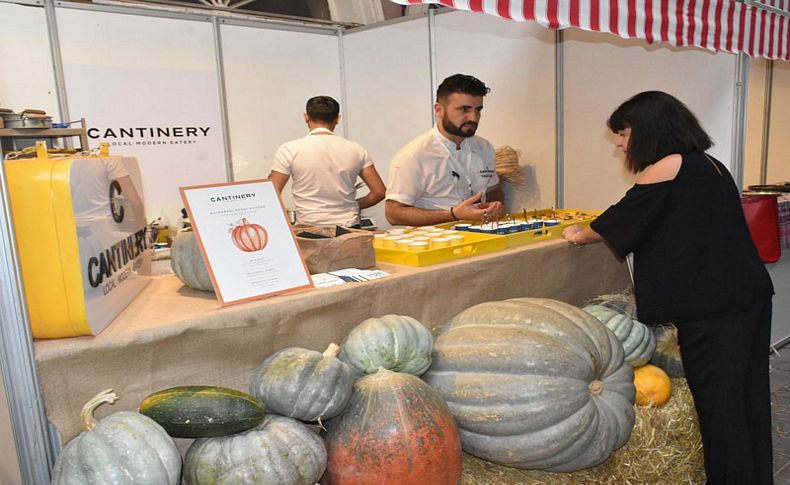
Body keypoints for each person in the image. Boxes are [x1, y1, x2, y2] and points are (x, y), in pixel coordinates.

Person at [563, 91, 774, 484]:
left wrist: (578, 234)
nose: (621, 143)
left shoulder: (668, 165)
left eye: (623, 133)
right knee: (746, 400)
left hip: (715, 308)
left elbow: (622, 217)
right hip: (745, 297)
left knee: (720, 407)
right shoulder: (708, 164)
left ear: (647, 131)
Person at [385, 74, 505, 226]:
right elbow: (394, 214)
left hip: (482, 236)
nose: (473, 118)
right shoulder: (414, 155)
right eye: (464, 109)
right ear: (439, 110)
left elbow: (493, 190)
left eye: (478, 110)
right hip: (434, 243)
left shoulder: (484, 147)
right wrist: (453, 215)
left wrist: (497, 205)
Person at [269, 96, 386, 228]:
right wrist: (353, 205)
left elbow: (271, 192)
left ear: (306, 117)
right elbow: (379, 192)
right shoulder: (356, 149)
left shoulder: (289, 149)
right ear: (337, 119)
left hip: (310, 229)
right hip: (349, 228)